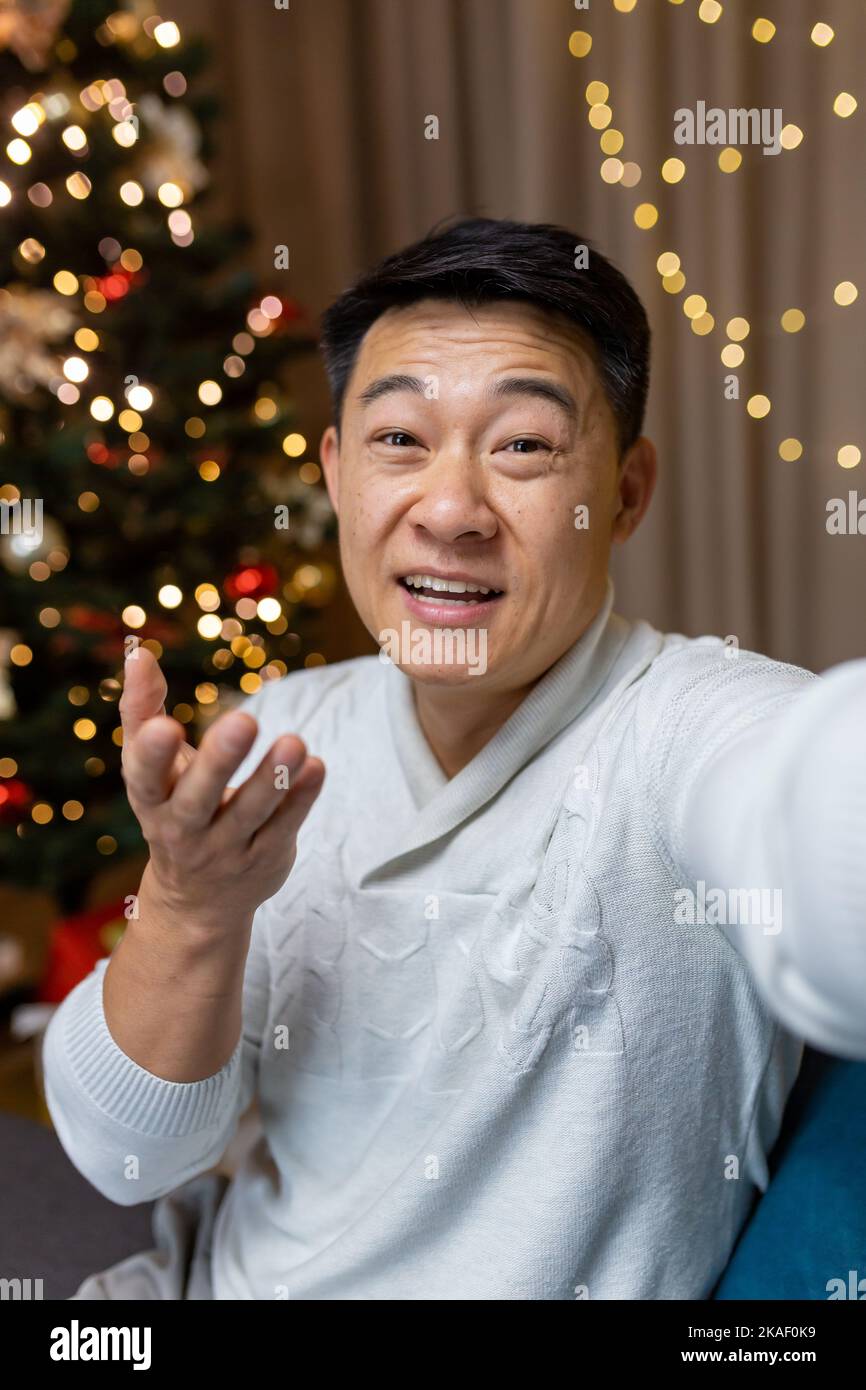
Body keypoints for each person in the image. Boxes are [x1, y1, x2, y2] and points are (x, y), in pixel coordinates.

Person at [42, 218, 866, 1300]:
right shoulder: (285, 729)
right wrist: (190, 910)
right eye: (398, 440)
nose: (448, 509)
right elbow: (128, 1159)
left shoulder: (689, 726)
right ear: (336, 472)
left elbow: (806, 815)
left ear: (622, 492)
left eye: (522, 444)